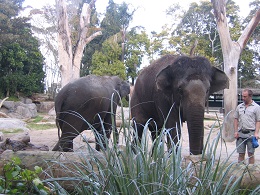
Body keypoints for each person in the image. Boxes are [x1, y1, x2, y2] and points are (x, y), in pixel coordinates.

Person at [234, 89, 260, 164]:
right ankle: (241, 171)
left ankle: (251, 171)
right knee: (241, 153)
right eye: (242, 96)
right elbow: (236, 119)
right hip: (241, 133)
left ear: (250, 96)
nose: (243, 98)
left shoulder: (256, 107)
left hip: (251, 133)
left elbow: (258, 120)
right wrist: (236, 131)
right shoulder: (239, 107)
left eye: (245, 96)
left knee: (250, 154)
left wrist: (256, 133)